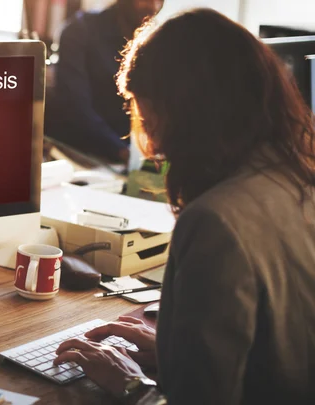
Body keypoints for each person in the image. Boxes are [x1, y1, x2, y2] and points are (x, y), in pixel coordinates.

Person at [53, 8, 315, 405]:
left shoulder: (216, 222)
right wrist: (177, 353)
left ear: (188, 116)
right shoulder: (299, 180)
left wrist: (129, 384)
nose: (155, 148)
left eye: (152, 123)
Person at [46, 0, 164, 162]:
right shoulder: (80, 30)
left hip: (130, 157)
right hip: (80, 155)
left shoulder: (154, 39)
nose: (154, 7)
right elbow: (75, 106)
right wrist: (123, 151)